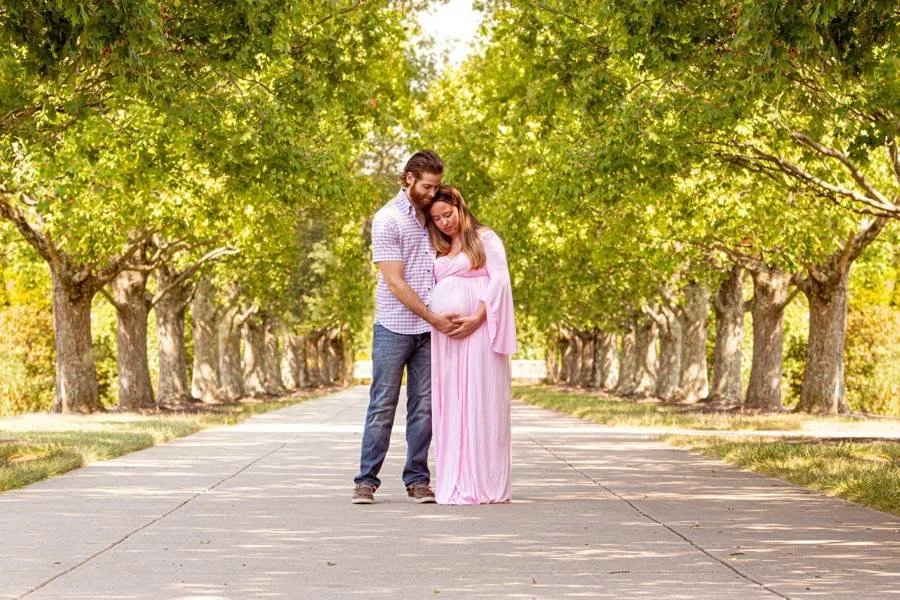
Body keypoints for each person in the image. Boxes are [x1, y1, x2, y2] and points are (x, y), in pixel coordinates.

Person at [352, 150, 460, 505]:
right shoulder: (387, 219)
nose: (432, 193)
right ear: (408, 179)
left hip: (429, 332)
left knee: (424, 408)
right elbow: (395, 282)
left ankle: (417, 480)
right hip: (394, 327)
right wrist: (433, 317)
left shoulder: (433, 217)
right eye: (427, 186)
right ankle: (366, 480)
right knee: (383, 404)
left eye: (436, 187)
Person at [426, 185, 517, 505]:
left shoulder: (485, 238)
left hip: (480, 329)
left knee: (480, 396)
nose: (444, 222)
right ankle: (455, 477)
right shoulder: (438, 246)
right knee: (452, 401)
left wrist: (478, 317)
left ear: (460, 208)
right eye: (437, 219)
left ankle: (485, 482)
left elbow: (500, 279)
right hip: (446, 336)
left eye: (448, 214)